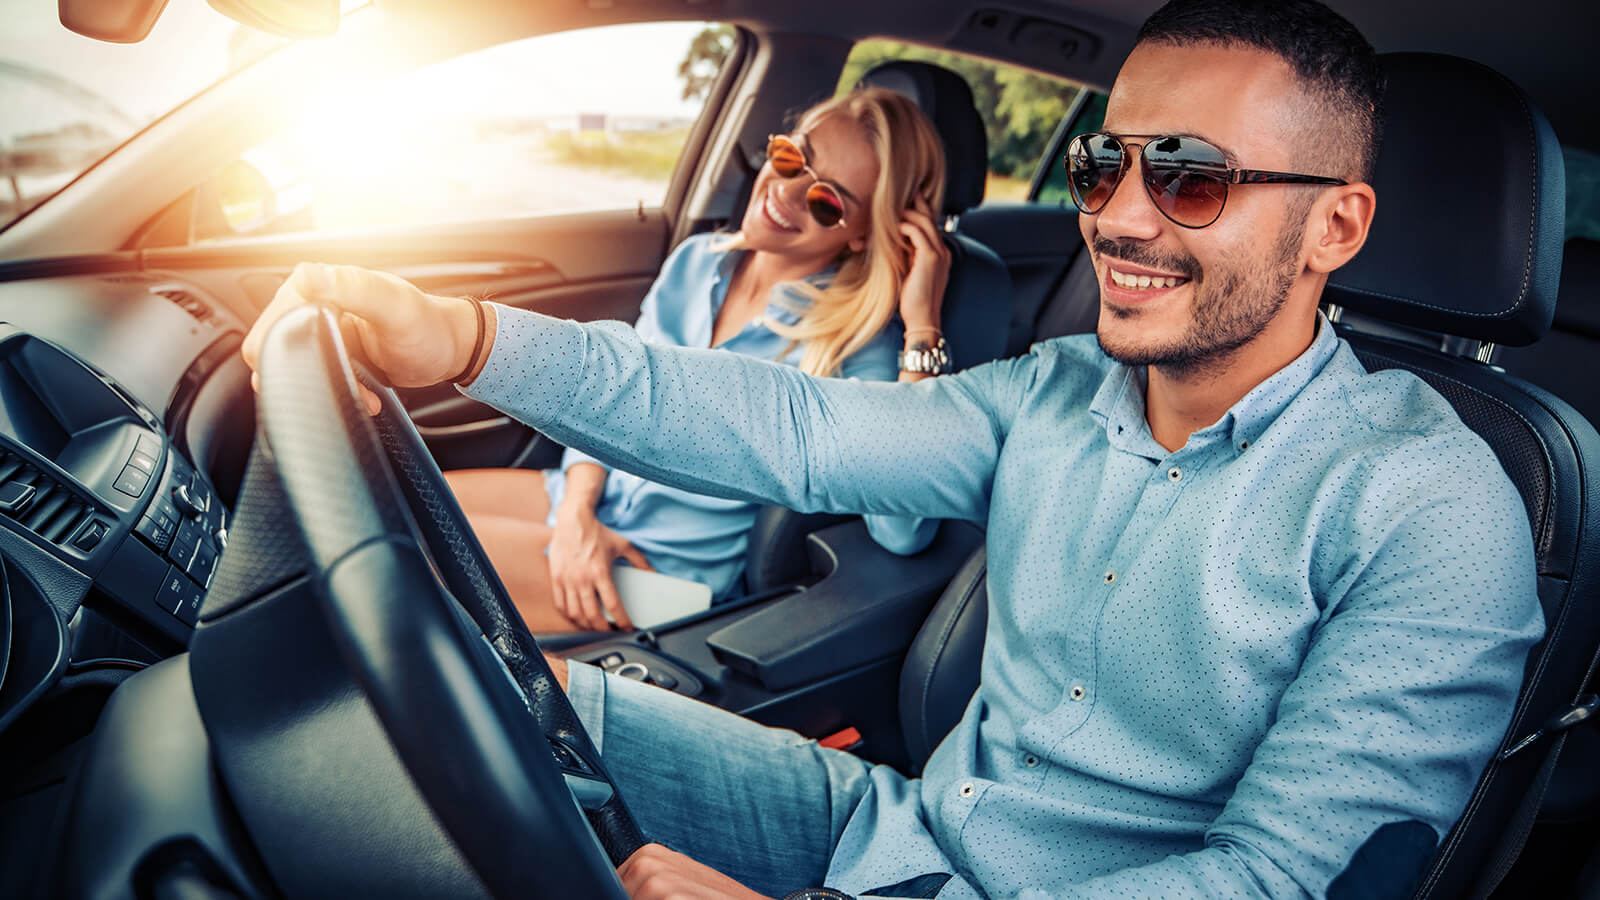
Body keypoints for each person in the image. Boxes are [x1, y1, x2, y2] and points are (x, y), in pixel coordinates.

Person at [240, 0, 1545, 896]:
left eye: (1191, 178)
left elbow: (1276, 881)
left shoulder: (1431, 504)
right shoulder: (1055, 392)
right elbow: (788, 423)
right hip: (894, 823)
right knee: (483, 703)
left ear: (1337, 228)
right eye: (1103, 168)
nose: (1120, 219)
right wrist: (460, 336)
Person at [443, 88, 949, 632]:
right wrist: (575, 514)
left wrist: (922, 328)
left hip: (660, 572)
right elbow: (607, 397)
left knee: (409, 551)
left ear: (863, 235)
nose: (786, 190)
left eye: (827, 201)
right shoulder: (695, 262)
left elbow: (903, 529)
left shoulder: (856, 344)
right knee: (397, 495)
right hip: (588, 499)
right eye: (791, 159)